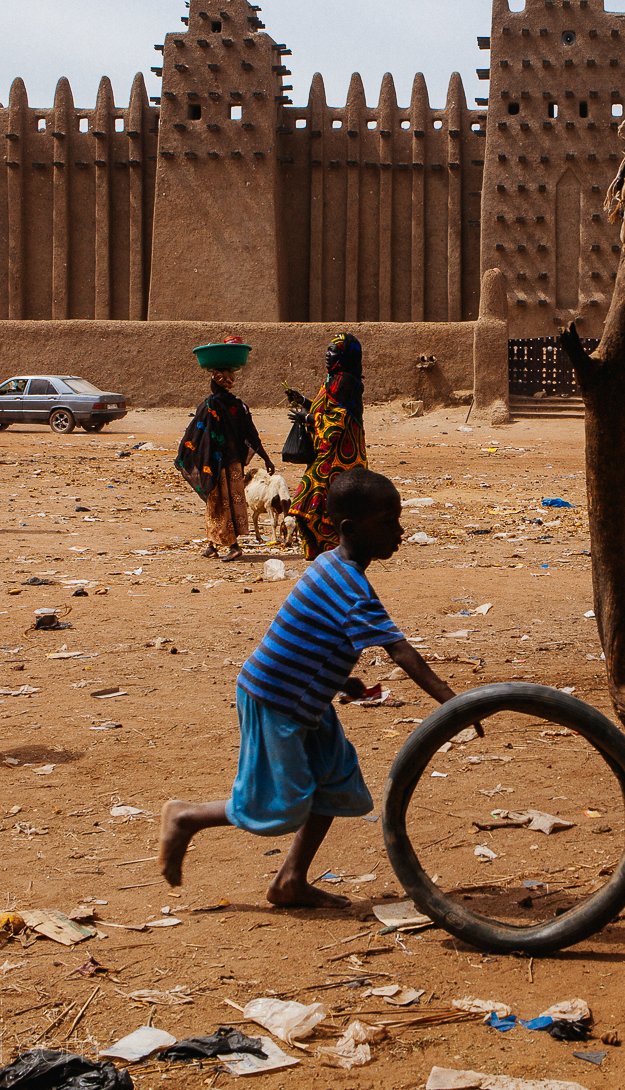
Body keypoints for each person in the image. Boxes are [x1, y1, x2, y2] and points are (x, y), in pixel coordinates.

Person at [156, 469, 468, 907]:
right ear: (350, 529)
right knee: (276, 806)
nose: (399, 531)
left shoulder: (329, 563)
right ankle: (187, 817)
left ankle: (290, 880)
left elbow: (308, 636)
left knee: (335, 785)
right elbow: (402, 653)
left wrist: (341, 679)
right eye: (388, 522)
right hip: (276, 700)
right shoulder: (351, 587)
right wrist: (458, 705)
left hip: (307, 698)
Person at [179, 355, 274, 561]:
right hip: (234, 463)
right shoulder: (239, 406)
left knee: (220, 502)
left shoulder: (209, 405)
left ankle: (233, 545)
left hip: (215, 464)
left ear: (215, 383)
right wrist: (266, 459)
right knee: (228, 501)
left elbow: (195, 433)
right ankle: (212, 545)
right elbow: (251, 434)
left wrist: (185, 455)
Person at [287, 333, 367, 559]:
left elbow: (336, 422)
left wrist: (308, 419)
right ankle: (326, 554)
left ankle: (337, 553)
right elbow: (325, 409)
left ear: (344, 356)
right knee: (312, 502)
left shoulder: (345, 382)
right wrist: (303, 401)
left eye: (333, 351)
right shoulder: (333, 381)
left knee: (322, 504)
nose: (327, 354)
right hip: (326, 455)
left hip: (339, 459)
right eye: (327, 350)